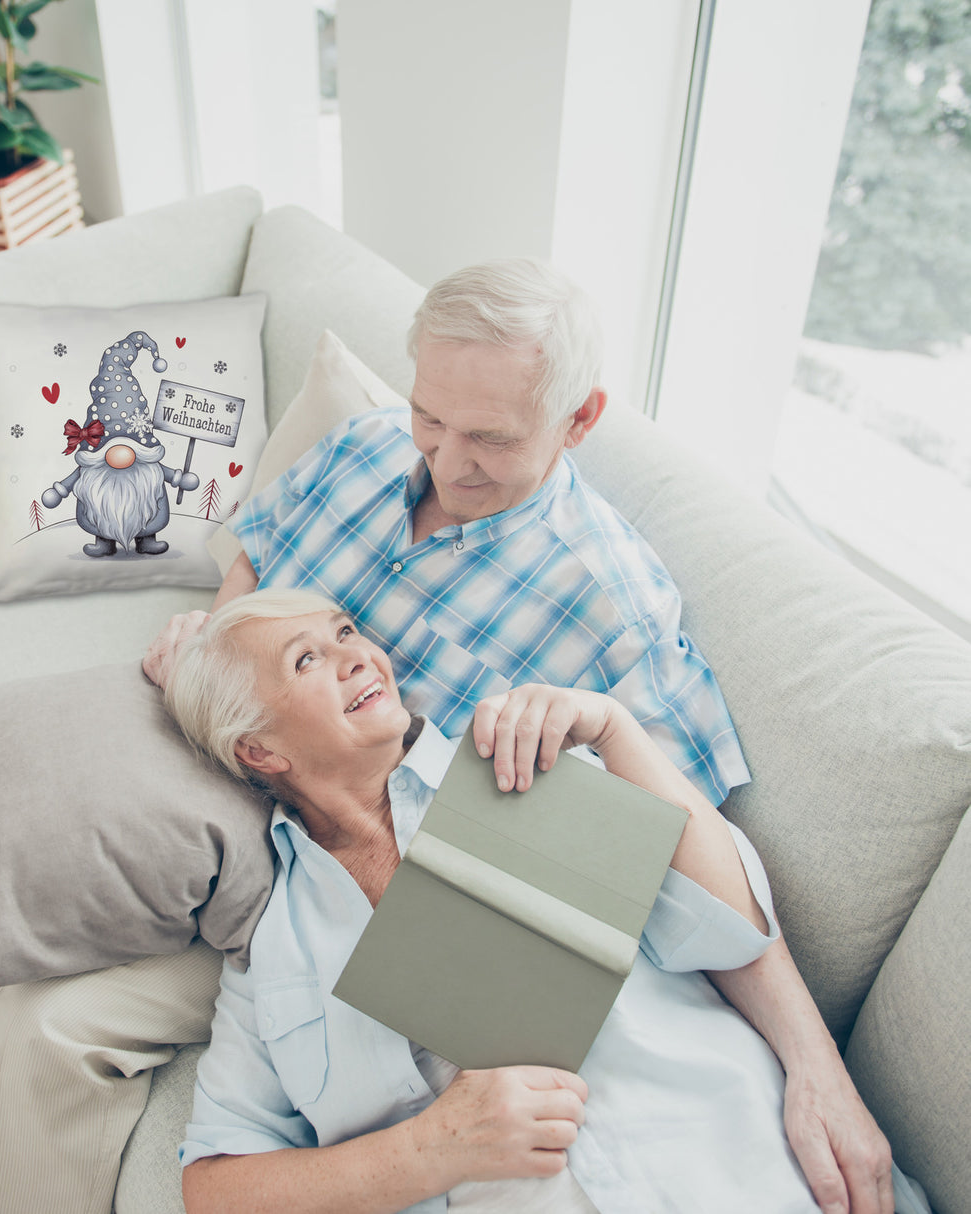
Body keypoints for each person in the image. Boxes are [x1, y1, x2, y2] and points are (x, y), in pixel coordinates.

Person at [145, 259, 893, 1212]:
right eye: (431, 418)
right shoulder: (366, 450)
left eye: (489, 438)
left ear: (579, 420)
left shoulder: (589, 656)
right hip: (249, 836)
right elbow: (258, 554)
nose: (446, 463)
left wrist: (815, 1067)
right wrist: (219, 657)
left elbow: (701, 884)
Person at [165, 589, 919, 1214]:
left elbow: (730, 930)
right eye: (308, 659)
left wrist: (615, 731)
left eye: (345, 632)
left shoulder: (520, 762)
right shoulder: (273, 951)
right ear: (259, 750)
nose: (358, 654)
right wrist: (430, 1150)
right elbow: (215, 1188)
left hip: (742, 1167)